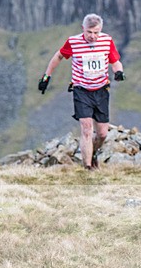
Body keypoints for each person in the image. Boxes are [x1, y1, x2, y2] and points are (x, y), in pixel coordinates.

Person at [38, 13, 125, 170]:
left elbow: (115, 61)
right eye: (89, 32)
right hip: (81, 90)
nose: (92, 36)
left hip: (101, 90)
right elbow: (58, 56)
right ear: (82, 29)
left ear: (101, 30)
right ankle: (87, 168)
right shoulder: (73, 42)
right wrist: (46, 77)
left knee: (103, 134)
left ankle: (92, 153)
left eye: (96, 32)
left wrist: (118, 72)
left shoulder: (107, 40)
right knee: (86, 128)